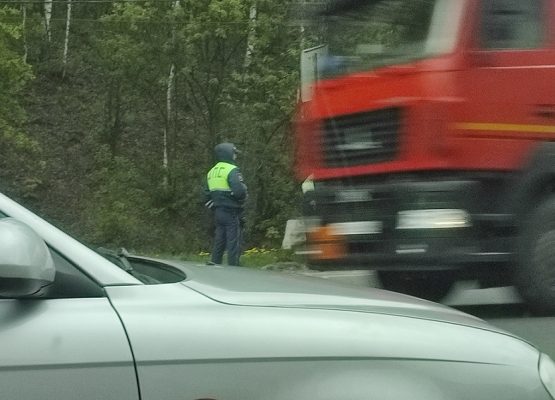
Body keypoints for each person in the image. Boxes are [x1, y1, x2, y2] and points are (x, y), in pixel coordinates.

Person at [204, 142, 247, 266]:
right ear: (228, 154)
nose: (235, 156)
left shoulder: (211, 172)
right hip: (231, 210)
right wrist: (241, 200)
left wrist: (215, 206)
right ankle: (233, 267)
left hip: (218, 211)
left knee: (219, 238)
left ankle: (215, 262)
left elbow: (206, 194)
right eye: (234, 153)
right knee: (233, 240)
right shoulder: (232, 170)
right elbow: (240, 192)